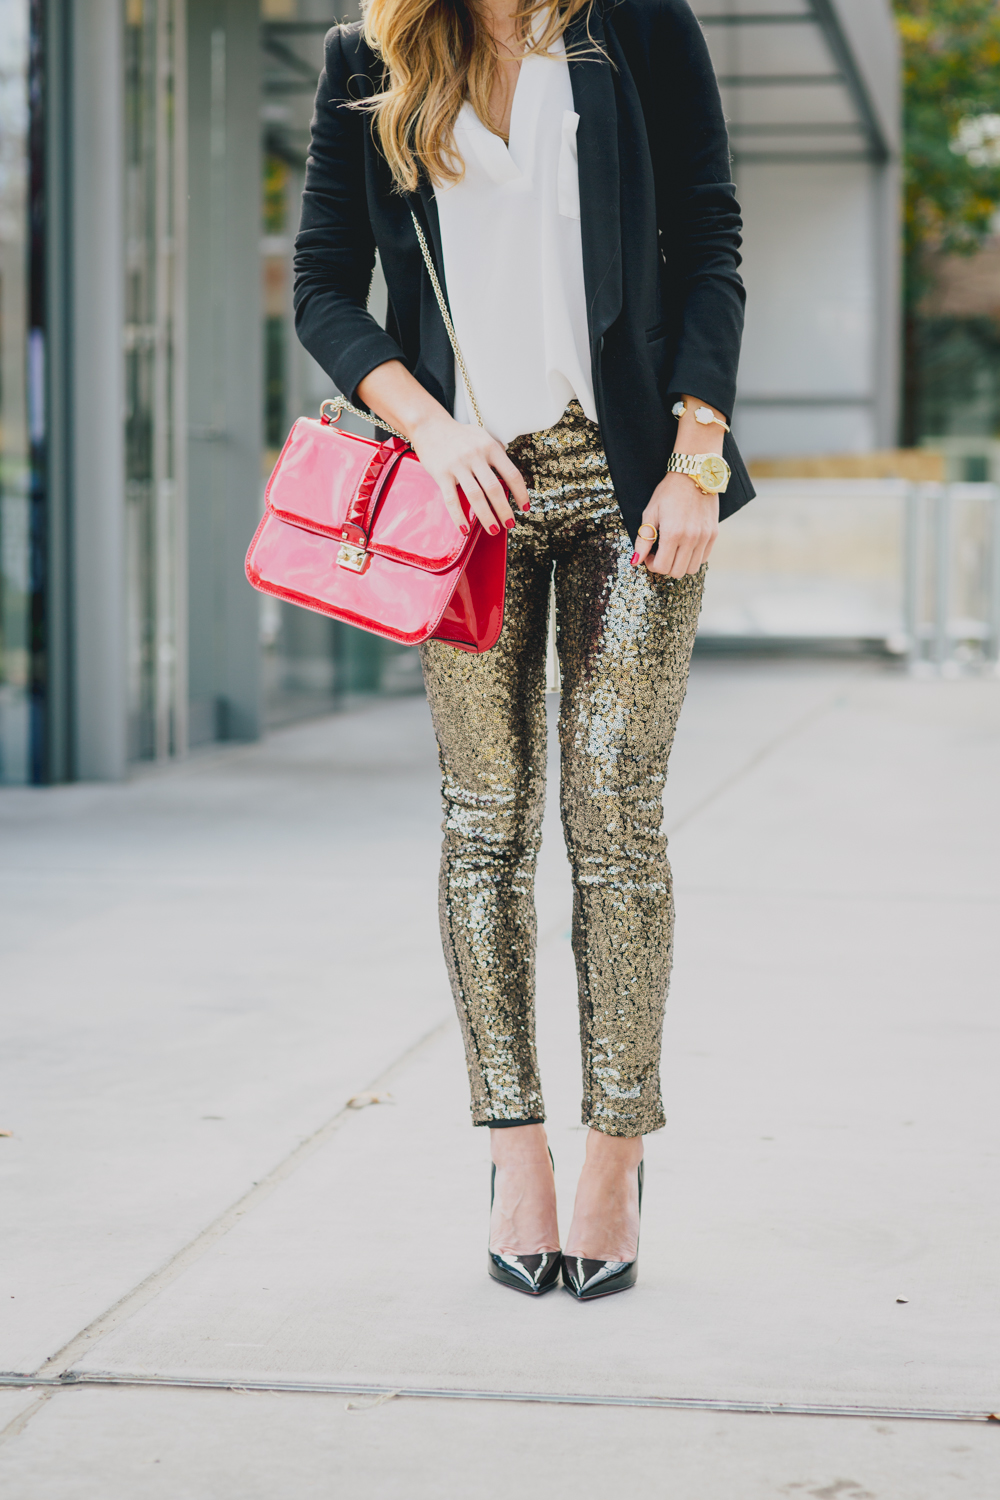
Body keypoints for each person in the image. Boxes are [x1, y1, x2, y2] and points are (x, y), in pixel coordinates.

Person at [294, 0, 752, 1299]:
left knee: (615, 825)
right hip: (464, 496)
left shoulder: (636, 28)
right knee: (484, 826)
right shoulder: (371, 58)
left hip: (628, 484)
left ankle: (616, 1152)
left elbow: (707, 234)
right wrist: (431, 427)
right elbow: (326, 282)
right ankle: (516, 1151)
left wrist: (698, 456)